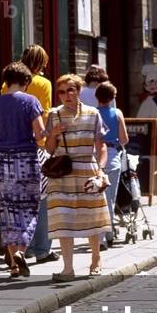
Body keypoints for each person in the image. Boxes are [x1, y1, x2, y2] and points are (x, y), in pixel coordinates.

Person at [45, 74, 110, 281]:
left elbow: (101, 146)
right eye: (61, 92)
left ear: (79, 91)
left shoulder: (93, 114)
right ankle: (68, 269)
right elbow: (49, 149)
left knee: (92, 216)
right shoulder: (54, 114)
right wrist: (53, 133)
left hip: (87, 170)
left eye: (70, 90)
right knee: (62, 218)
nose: (66, 95)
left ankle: (96, 259)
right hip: (62, 172)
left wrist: (100, 170)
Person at [0, 61, 46, 278]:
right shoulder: (31, 101)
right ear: (26, 81)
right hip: (25, 158)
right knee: (29, 208)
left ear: (6, 80)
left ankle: (13, 264)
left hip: (0, 159)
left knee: (7, 210)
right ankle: (21, 251)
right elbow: (39, 134)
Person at [9, 45, 56, 265]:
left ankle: (23, 247)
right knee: (42, 198)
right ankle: (42, 249)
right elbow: (45, 114)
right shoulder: (44, 84)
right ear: (41, 62)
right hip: (36, 145)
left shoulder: (7, 84)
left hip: (11, 145)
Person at [93, 81, 128, 247]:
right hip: (112, 154)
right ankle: (108, 234)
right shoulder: (117, 113)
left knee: (95, 197)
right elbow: (124, 139)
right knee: (109, 198)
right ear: (113, 97)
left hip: (95, 155)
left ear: (97, 96)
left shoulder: (92, 113)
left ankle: (99, 235)